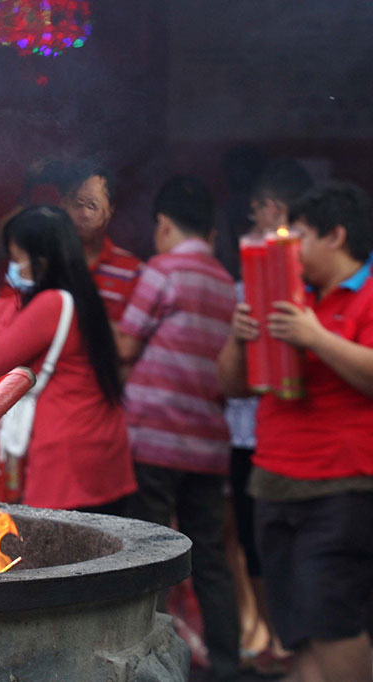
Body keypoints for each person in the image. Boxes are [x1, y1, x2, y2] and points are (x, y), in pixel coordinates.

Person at [216, 182, 373, 682]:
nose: (291, 250)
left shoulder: (368, 293)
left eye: (300, 236)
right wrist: (239, 338)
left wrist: (316, 338)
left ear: (336, 236)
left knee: (333, 621)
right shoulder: (291, 295)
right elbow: (233, 386)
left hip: (342, 486)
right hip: (273, 483)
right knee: (295, 628)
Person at [0, 206, 136, 512]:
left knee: (59, 540)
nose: (11, 269)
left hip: (69, 457)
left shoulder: (50, 304)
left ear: (41, 262)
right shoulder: (75, 293)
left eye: (17, 260)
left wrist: (9, 312)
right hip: (101, 446)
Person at [116, 175, 239, 682]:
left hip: (153, 437)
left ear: (163, 225)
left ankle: (149, 666)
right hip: (207, 444)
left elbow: (126, 345)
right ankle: (228, 665)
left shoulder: (161, 271)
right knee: (210, 557)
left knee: (149, 557)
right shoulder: (227, 282)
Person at [222, 158, 311, 674]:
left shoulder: (309, 279)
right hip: (252, 431)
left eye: (258, 206)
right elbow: (232, 378)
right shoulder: (250, 271)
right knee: (258, 539)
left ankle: (290, 638)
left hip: (301, 440)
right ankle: (274, 635)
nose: (253, 215)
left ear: (275, 208)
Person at [60, 163, 142, 323]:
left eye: (93, 206)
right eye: (78, 204)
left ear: (109, 211)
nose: (84, 214)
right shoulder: (44, 258)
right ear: (63, 204)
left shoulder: (132, 271)